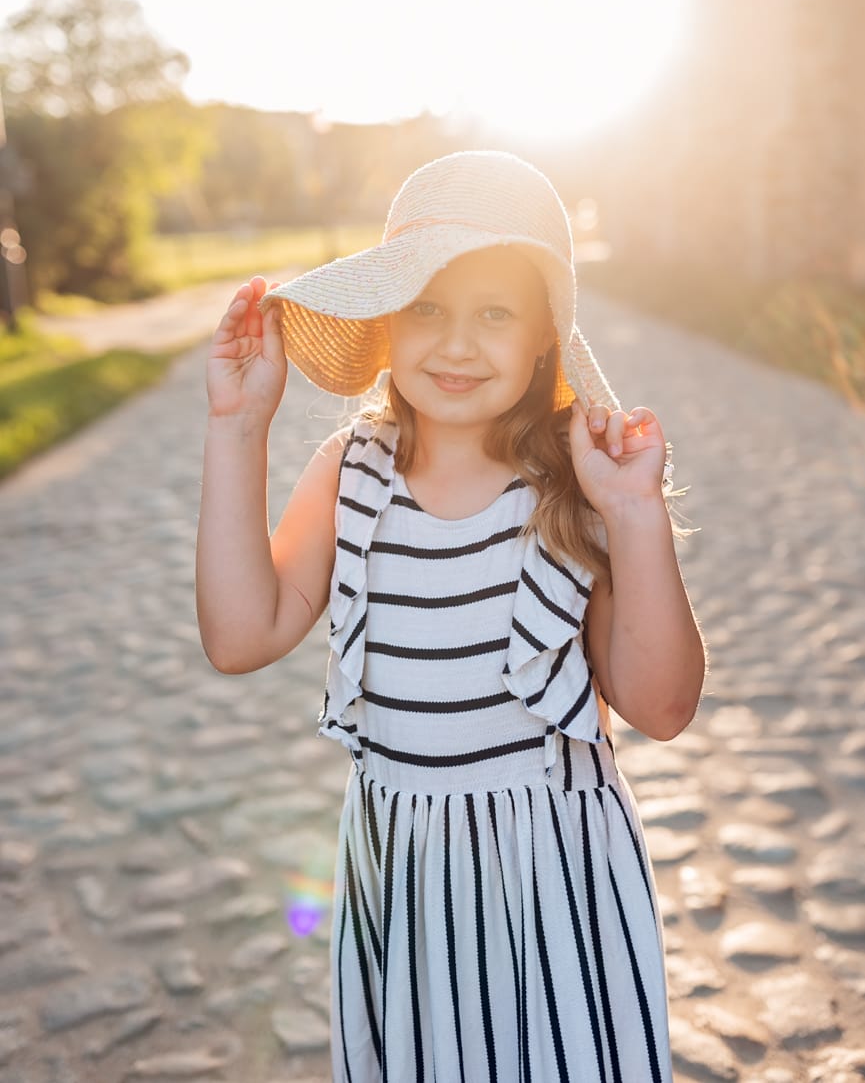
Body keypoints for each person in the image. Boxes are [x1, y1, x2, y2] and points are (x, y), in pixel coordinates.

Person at [196, 150, 706, 1083]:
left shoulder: (572, 489)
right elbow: (240, 635)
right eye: (425, 306)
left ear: (544, 340)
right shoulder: (351, 475)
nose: (456, 343)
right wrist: (239, 428)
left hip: (549, 876)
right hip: (404, 879)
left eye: (494, 313)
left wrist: (634, 518)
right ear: (387, 322)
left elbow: (662, 707)